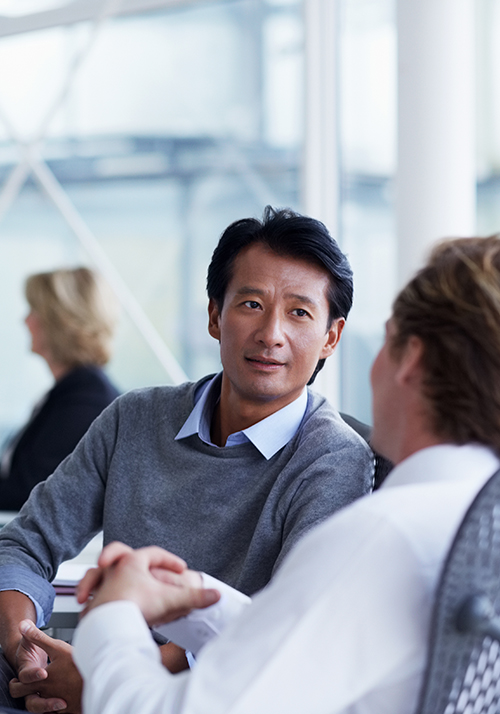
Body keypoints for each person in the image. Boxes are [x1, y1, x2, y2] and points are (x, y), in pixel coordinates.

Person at [59, 234, 500, 714]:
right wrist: (197, 600)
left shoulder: (380, 534)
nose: (271, 334)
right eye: (251, 304)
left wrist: (115, 614)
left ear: (410, 359)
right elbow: (314, 644)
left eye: (385, 338)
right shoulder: (472, 519)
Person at [0, 206, 373, 712]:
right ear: (215, 316)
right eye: (251, 304)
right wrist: (24, 647)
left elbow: (284, 629)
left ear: (331, 336)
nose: (271, 334)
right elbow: (24, 543)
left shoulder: (334, 459)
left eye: (299, 313)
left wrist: (112, 679)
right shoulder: (134, 418)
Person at [0, 267, 120, 511]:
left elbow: (28, 491)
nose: (26, 321)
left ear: (58, 323)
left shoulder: (86, 401)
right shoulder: (71, 392)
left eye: (34, 311)